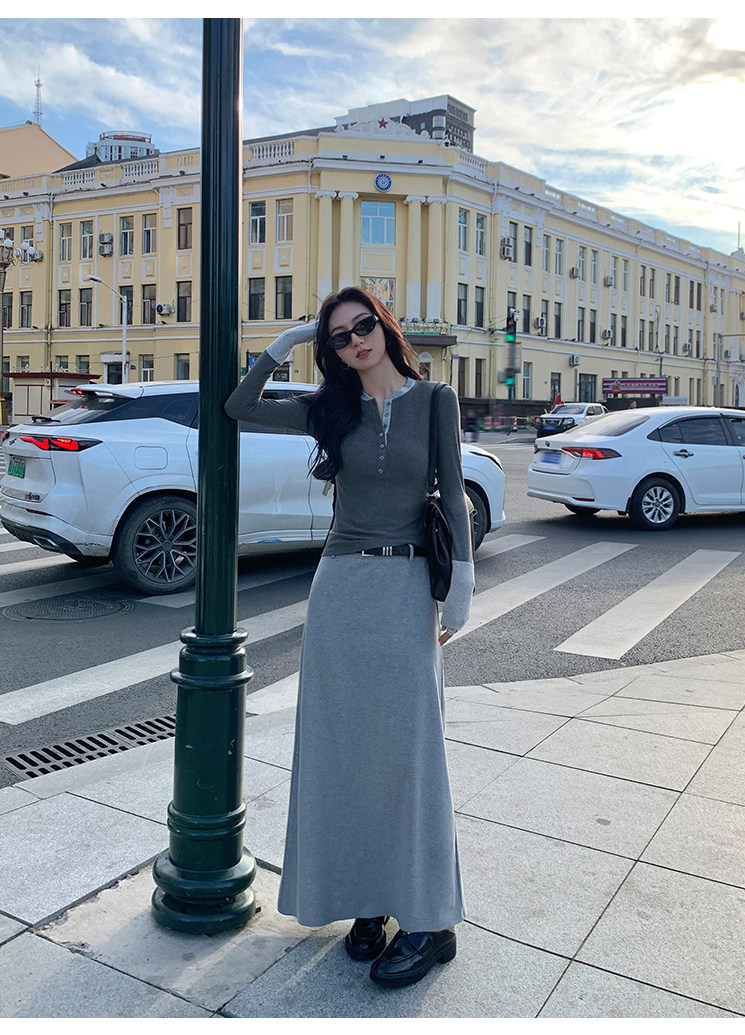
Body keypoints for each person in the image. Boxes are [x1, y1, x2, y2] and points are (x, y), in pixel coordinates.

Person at [225, 286, 474, 989]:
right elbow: (239, 406)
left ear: (384, 326)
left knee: (410, 752)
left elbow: (453, 491)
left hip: (407, 586)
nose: (356, 340)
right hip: (339, 589)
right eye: (338, 336)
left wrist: (460, 584)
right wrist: (287, 341)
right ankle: (370, 898)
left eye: (364, 326)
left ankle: (430, 920)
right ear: (329, 349)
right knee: (343, 751)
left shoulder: (436, 400)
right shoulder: (328, 409)